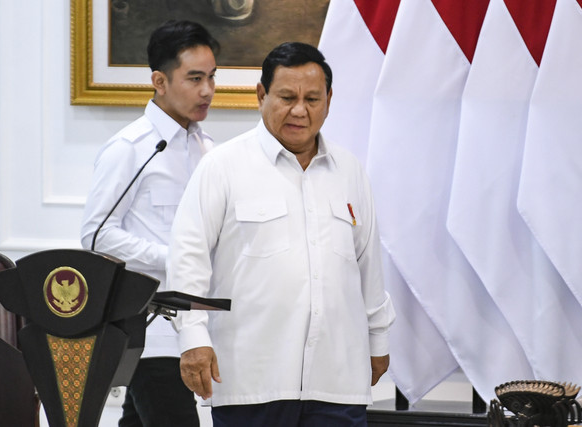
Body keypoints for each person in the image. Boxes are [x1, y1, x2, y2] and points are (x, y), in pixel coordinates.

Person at [167, 42, 396, 426]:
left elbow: (367, 264)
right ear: (261, 95)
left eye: (312, 98)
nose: (300, 111)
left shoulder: (350, 171)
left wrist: (379, 340)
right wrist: (193, 338)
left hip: (336, 381)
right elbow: (188, 258)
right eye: (287, 97)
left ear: (328, 99)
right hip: (252, 382)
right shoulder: (222, 166)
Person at [80, 20, 219, 427]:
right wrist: (177, 258)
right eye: (194, 78)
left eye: (211, 77)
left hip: (198, 325)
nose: (207, 90)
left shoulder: (207, 148)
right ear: (159, 80)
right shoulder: (130, 148)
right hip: (150, 332)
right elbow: (96, 234)